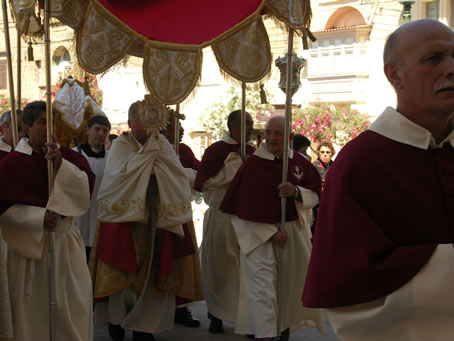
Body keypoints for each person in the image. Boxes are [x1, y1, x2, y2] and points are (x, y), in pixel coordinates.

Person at [303, 19, 454, 341]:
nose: (452, 68)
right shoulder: (361, 162)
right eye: (434, 58)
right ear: (395, 75)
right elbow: (352, 286)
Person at [90, 100, 203, 341]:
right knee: (121, 269)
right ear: (130, 123)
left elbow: (175, 174)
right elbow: (116, 176)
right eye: (139, 120)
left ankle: (144, 326)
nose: (144, 125)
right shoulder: (121, 145)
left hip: (156, 218)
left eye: (148, 119)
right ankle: (117, 320)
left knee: (153, 272)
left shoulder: (162, 144)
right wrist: (147, 162)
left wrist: (154, 164)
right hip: (125, 221)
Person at [220, 116, 325, 341]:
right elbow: (239, 211)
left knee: (289, 289)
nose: (271, 137)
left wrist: (296, 191)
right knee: (262, 292)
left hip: (292, 234)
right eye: (268, 132)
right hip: (258, 238)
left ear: (289, 137)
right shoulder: (252, 164)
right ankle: (267, 336)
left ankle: (284, 329)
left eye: (278, 133)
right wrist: (269, 233)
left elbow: (316, 195)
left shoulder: (299, 162)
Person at [0, 100, 95, 341]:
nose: (49, 128)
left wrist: (61, 166)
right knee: (32, 314)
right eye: (43, 122)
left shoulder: (69, 157)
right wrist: (37, 218)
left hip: (65, 245)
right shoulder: (11, 164)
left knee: (71, 307)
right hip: (29, 251)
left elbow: (86, 188)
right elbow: (3, 209)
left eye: (52, 122)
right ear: (27, 128)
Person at [193, 110, 255, 334]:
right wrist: (234, 164)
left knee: (245, 271)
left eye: (251, 123)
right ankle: (216, 315)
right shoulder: (217, 151)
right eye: (244, 124)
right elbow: (207, 184)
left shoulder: (251, 152)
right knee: (219, 268)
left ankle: (245, 319)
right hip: (221, 216)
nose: (249, 128)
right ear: (232, 127)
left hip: (245, 218)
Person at [160, 115, 203, 328]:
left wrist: (180, 175)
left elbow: (200, 173)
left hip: (181, 212)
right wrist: (182, 176)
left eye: (181, 128)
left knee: (181, 259)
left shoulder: (183, 150)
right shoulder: (154, 147)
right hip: (158, 214)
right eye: (176, 128)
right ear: (162, 130)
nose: (182, 132)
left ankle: (181, 307)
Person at [0, 109, 24, 341]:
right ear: (3, 129)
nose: (22, 131)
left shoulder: (29, 154)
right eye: (16, 126)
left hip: (27, 233)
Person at [74, 115, 111, 260]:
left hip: (101, 213)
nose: (101, 134)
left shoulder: (111, 158)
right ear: (88, 131)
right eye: (97, 129)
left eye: (105, 131)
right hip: (79, 215)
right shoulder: (75, 154)